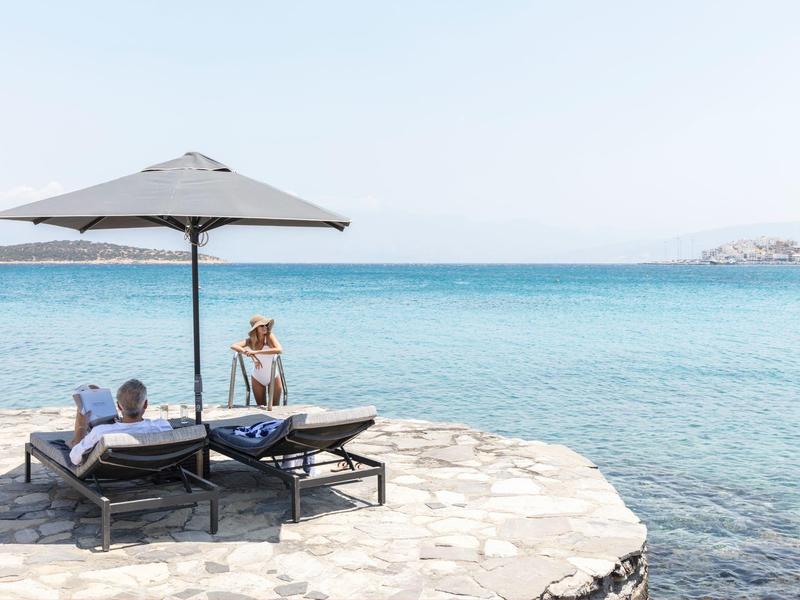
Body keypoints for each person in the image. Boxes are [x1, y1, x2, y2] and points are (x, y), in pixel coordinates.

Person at [67, 379, 172, 466]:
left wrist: (82, 427)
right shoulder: (162, 426)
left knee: (71, 444)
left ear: (118, 406)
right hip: (147, 466)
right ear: (145, 404)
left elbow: (75, 459)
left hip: (110, 470)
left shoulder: (101, 433)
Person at [230, 314, 283, 407]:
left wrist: (256, 352)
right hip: (257, 378)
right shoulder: (251, 341)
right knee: (260, 407)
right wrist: (250, 354)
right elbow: (234, 346)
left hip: (273, 376)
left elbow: (279, 350)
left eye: (266, 325)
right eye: (261, 325)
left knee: (275, 408)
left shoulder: (269, 336)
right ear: (256, 329)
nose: (265, 327)